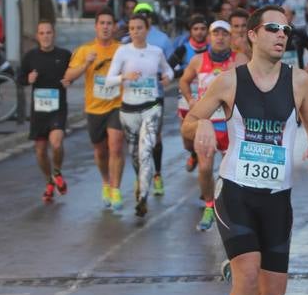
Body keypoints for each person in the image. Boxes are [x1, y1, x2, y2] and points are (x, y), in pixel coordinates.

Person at [181, 5, 308, 295]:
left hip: (277, 199)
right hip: (238, 194)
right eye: (274, 28)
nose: (283, 35)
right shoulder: (228, 82)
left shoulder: (298, 81)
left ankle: (238, 277)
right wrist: (206, 122)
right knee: (246, 279)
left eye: (287, 30)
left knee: (273, 293)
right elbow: (189, 121)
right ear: (254, 35)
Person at [179, 20, 246, 231]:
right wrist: (190, 99)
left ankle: (230, 209)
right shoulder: (199, 60)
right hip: (206, 124)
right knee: (206, 168)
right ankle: (209, 205)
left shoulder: (240, 59)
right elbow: (183, 81)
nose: (220, 37)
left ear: (230, 38)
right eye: (215, 33)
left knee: (232, 172)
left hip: (230, 125)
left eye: (224, 34)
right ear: (209, 37)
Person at [105, 13, 174, 217]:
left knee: (146, 151)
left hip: (151, 106)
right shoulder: (123, 51)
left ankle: (142, 196)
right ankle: (141, 183)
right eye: (132, 28)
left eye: (139, 28)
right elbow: (109, 80)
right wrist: (124, 76)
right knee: (135, 154)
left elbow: (169, 71)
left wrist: (166, 78)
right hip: (128, 109)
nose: (135, 32)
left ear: (147, 29)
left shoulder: (156, 51)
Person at [63, 8, 125, 210]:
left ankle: (116, 189)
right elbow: (69, 76)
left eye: (109, 23)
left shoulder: (121, 49)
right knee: (100, 151)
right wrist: (86, 64)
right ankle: (106, 182)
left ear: (114, 27)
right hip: (95, 107)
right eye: (102, 23)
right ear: (96, 26)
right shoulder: (85, 50)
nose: (106, 27)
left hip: (117, 104)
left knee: (115, 146)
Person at [18, 21, 71, 203]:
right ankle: (49, 182)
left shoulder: (64, 55)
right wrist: (28, 79)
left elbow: (74, 72)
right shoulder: (30, 57)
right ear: (37, 36)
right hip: (39, 110)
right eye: (42, 33)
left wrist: (69, 80)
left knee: (56, 143)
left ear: (53, 34)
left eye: (49, 32)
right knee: (40, 151)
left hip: (58, 108)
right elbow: (20, 78)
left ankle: (57, 172)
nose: (46, 36)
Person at [169, 14, 209, 172]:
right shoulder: (183, 49)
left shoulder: (213, 49)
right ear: (190, 31)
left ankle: (205, 166)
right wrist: (186, 72)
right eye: (196, 29)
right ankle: (192, 153)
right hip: (186, 97)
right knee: (187, 138)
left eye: (202, 29)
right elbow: (168, 68)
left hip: (207, 98)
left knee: (207, 132)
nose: (199, 32)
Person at [281, 6, 308, 71]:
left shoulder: (300, 33)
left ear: (292, 17)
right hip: (278, 75)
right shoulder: (272, 35)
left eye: (286, 15)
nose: (283, 18)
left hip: (297, 74)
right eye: (280, 15)